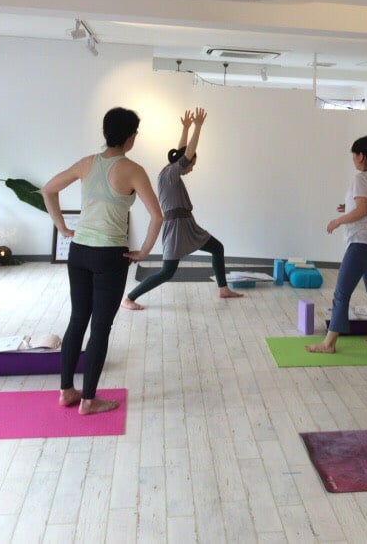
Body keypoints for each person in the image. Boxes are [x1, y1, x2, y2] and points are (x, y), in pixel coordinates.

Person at [42, 107, 163, 414]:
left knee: (77, 319)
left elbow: (48, 189)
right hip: (110, 255)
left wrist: (62, 228)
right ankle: (88, 400)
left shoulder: (86, 163)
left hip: (79, 251)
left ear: (106, 133)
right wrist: (144, 252)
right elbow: (157, 216)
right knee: (100, 327)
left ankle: (66, 391)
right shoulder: (133, 170)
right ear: (131, 136)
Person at [121, 108, 242, 308]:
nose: (191, 168)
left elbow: (182, 152)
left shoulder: (170, 171)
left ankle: (223, 288)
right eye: (192, 164)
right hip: (176, 228)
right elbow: (186, 153)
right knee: (167, 272)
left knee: (217, 248)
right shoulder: (170, 174)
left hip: (187, 224)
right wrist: (198, 127)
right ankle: (129, 298)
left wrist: (185, 128)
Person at [306, 135, 367, 354]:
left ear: (361, 156)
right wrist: (348, 208)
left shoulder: (361, 179)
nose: (353, 159)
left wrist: (338, 220)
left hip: (362, 244)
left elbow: (362, 211)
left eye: (354, 155)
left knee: (341, 293)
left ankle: (329, 344)